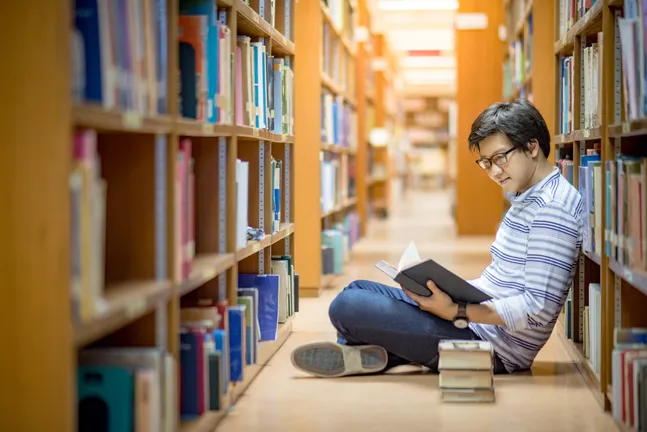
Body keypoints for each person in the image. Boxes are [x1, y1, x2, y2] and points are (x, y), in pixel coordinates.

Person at [290, 99, 585, 378]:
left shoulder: (552, 210)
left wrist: (456, 310)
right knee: (357, 288)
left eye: (500, 158)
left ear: (532, 147)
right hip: (475, 318)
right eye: (486, 162)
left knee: (348, 307)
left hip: (492, 345)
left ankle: (375, 352)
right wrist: (455, 295)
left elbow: (537, 309)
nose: (494, 171)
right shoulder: (527, 197)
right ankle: (381, 353)